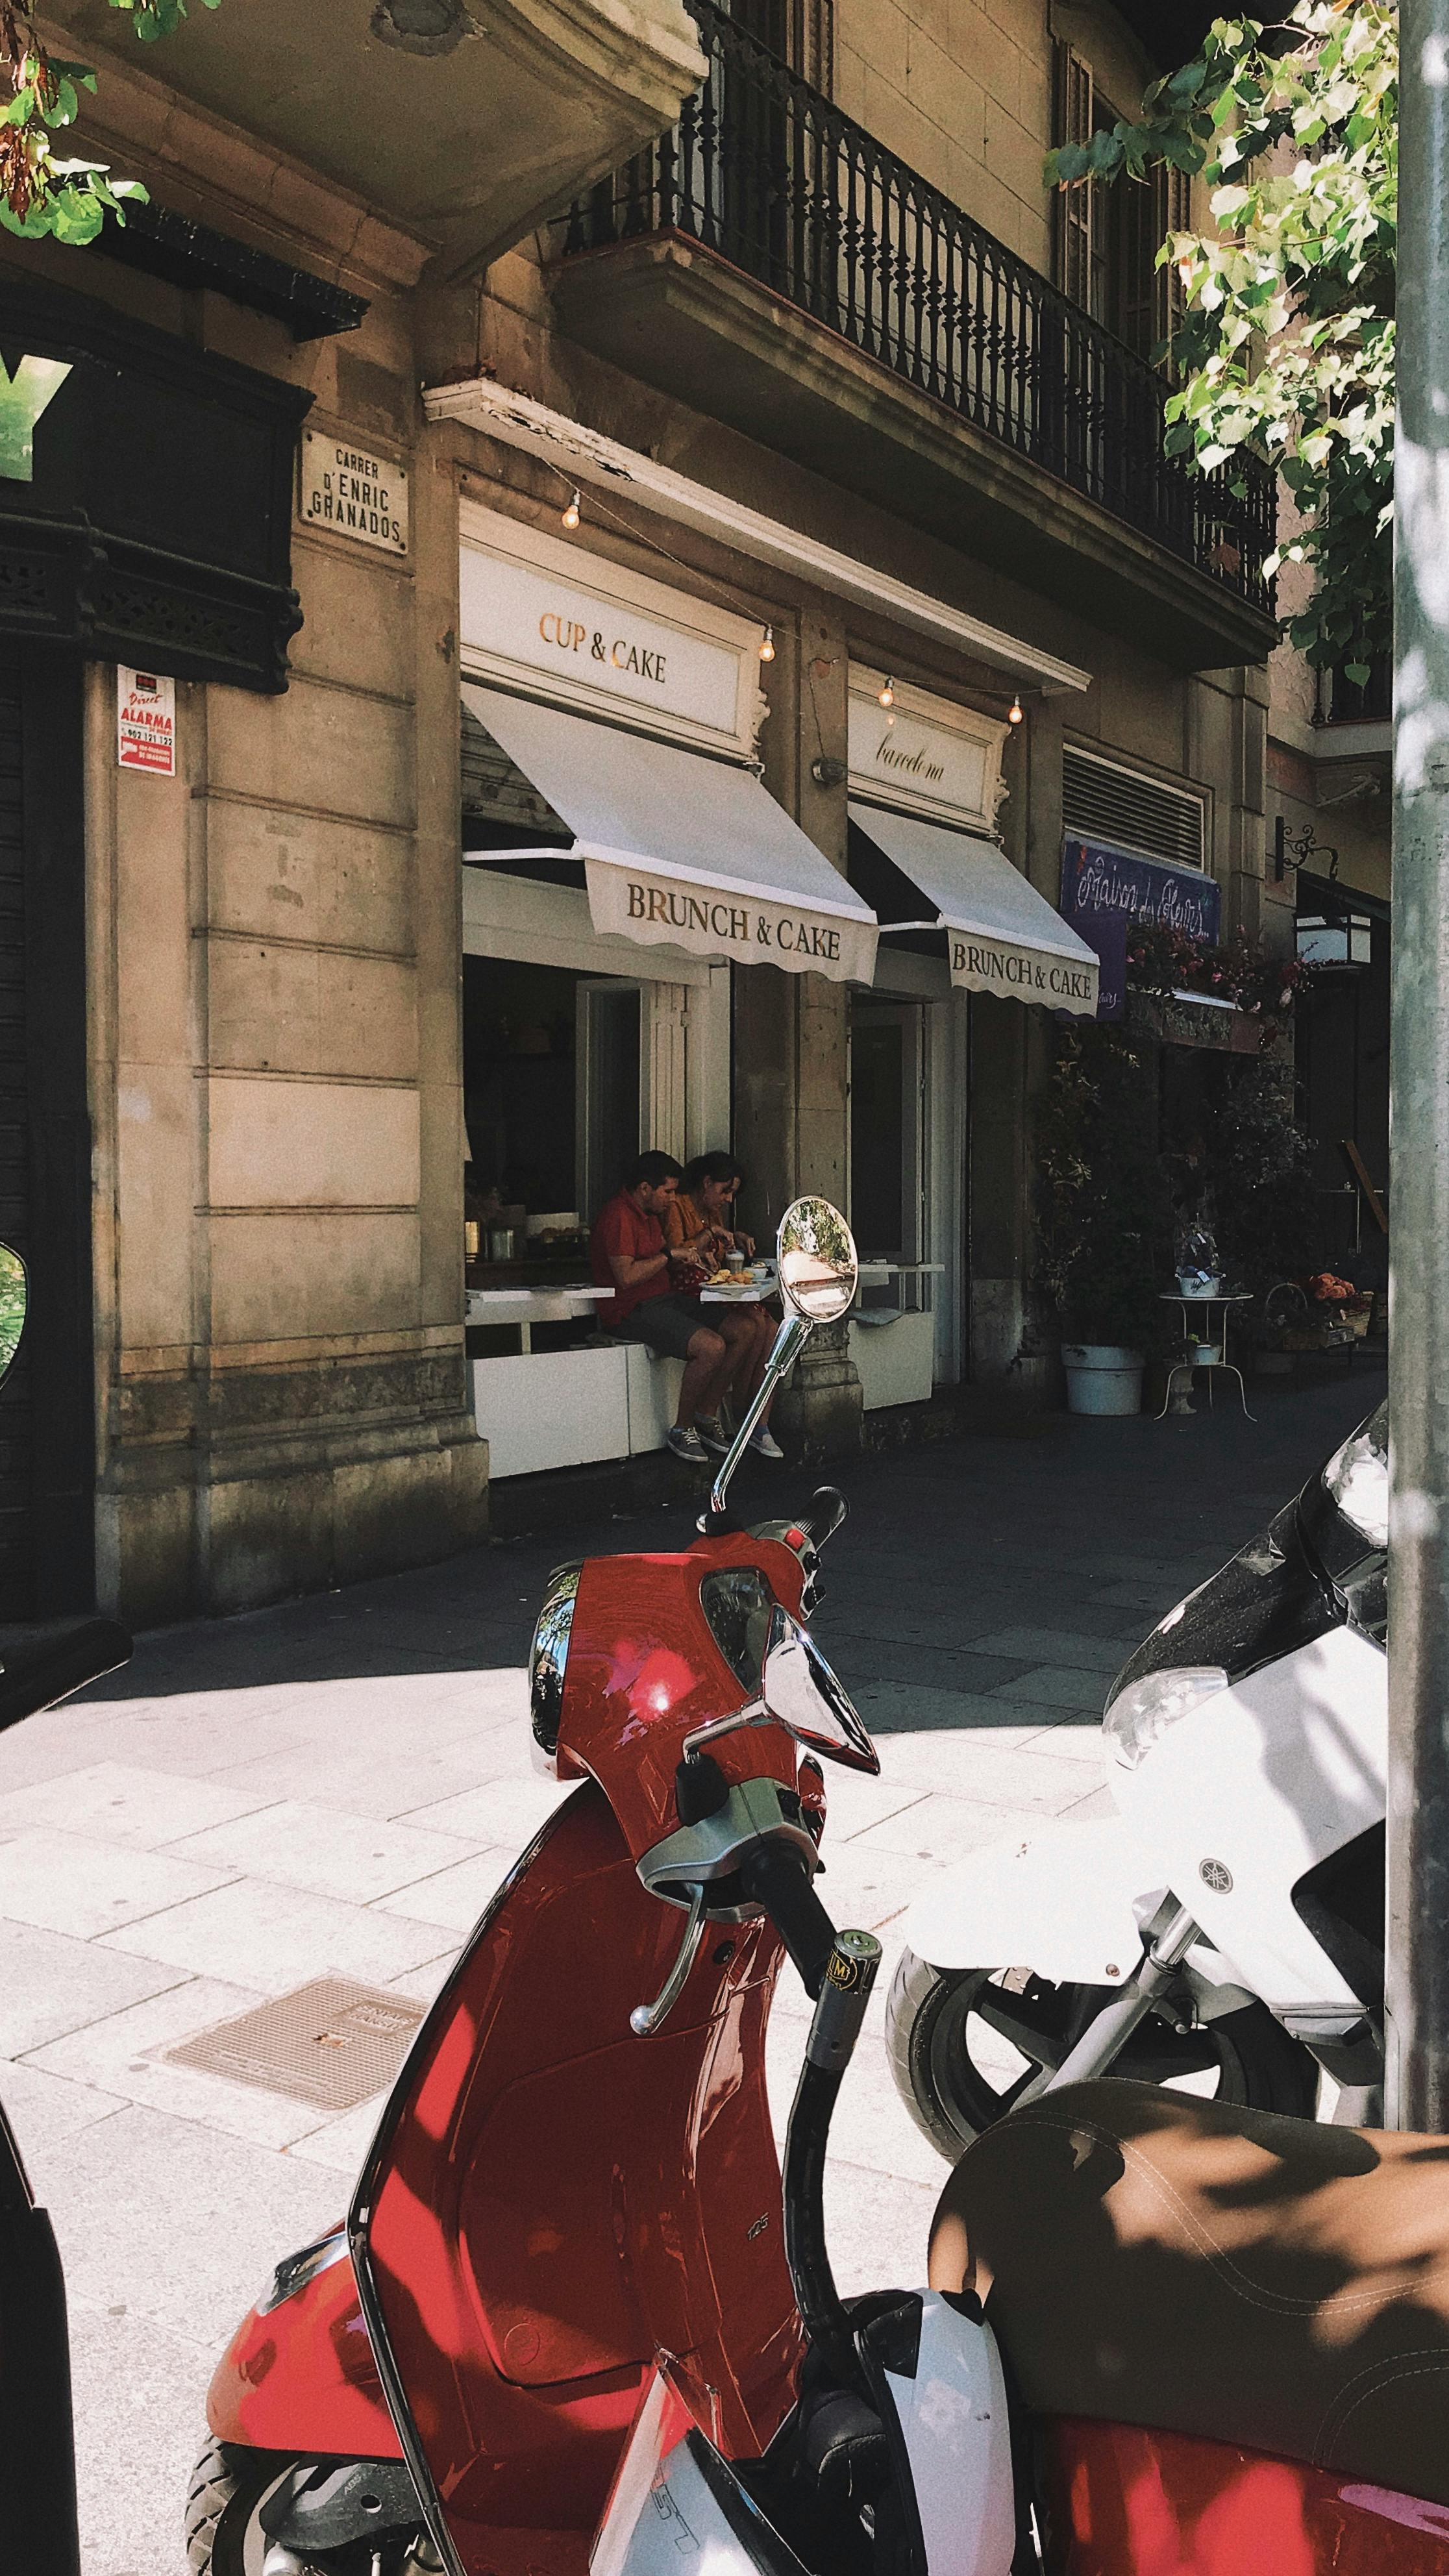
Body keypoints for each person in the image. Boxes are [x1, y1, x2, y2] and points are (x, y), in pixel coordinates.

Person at [590, 1151, 737, 1463]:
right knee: (711, 1347)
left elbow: (667, 1259)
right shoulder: (619, 1215)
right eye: (668, 1191)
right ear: (645, 1188)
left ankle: (705, 1416)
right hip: (631, 1309)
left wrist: (696, 1254)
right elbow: (626, 1276)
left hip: (664, 1299)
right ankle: (682, 1429)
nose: (673, 1199)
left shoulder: (650, 1217)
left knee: (747, 1328)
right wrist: (669, 1256)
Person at [665, 1151, 784, 1461]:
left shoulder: (713, 1213)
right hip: (688, 1293)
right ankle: (711, 1411)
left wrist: (734, 1239)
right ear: (706, 1183)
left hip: (715, 1291)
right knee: (750, 1327)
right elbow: (676, 1257)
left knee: (771, 1329)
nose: (728, 1199)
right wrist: (707, 1237)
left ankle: (757, 1420)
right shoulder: (678, 1207)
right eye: (725, 1191)